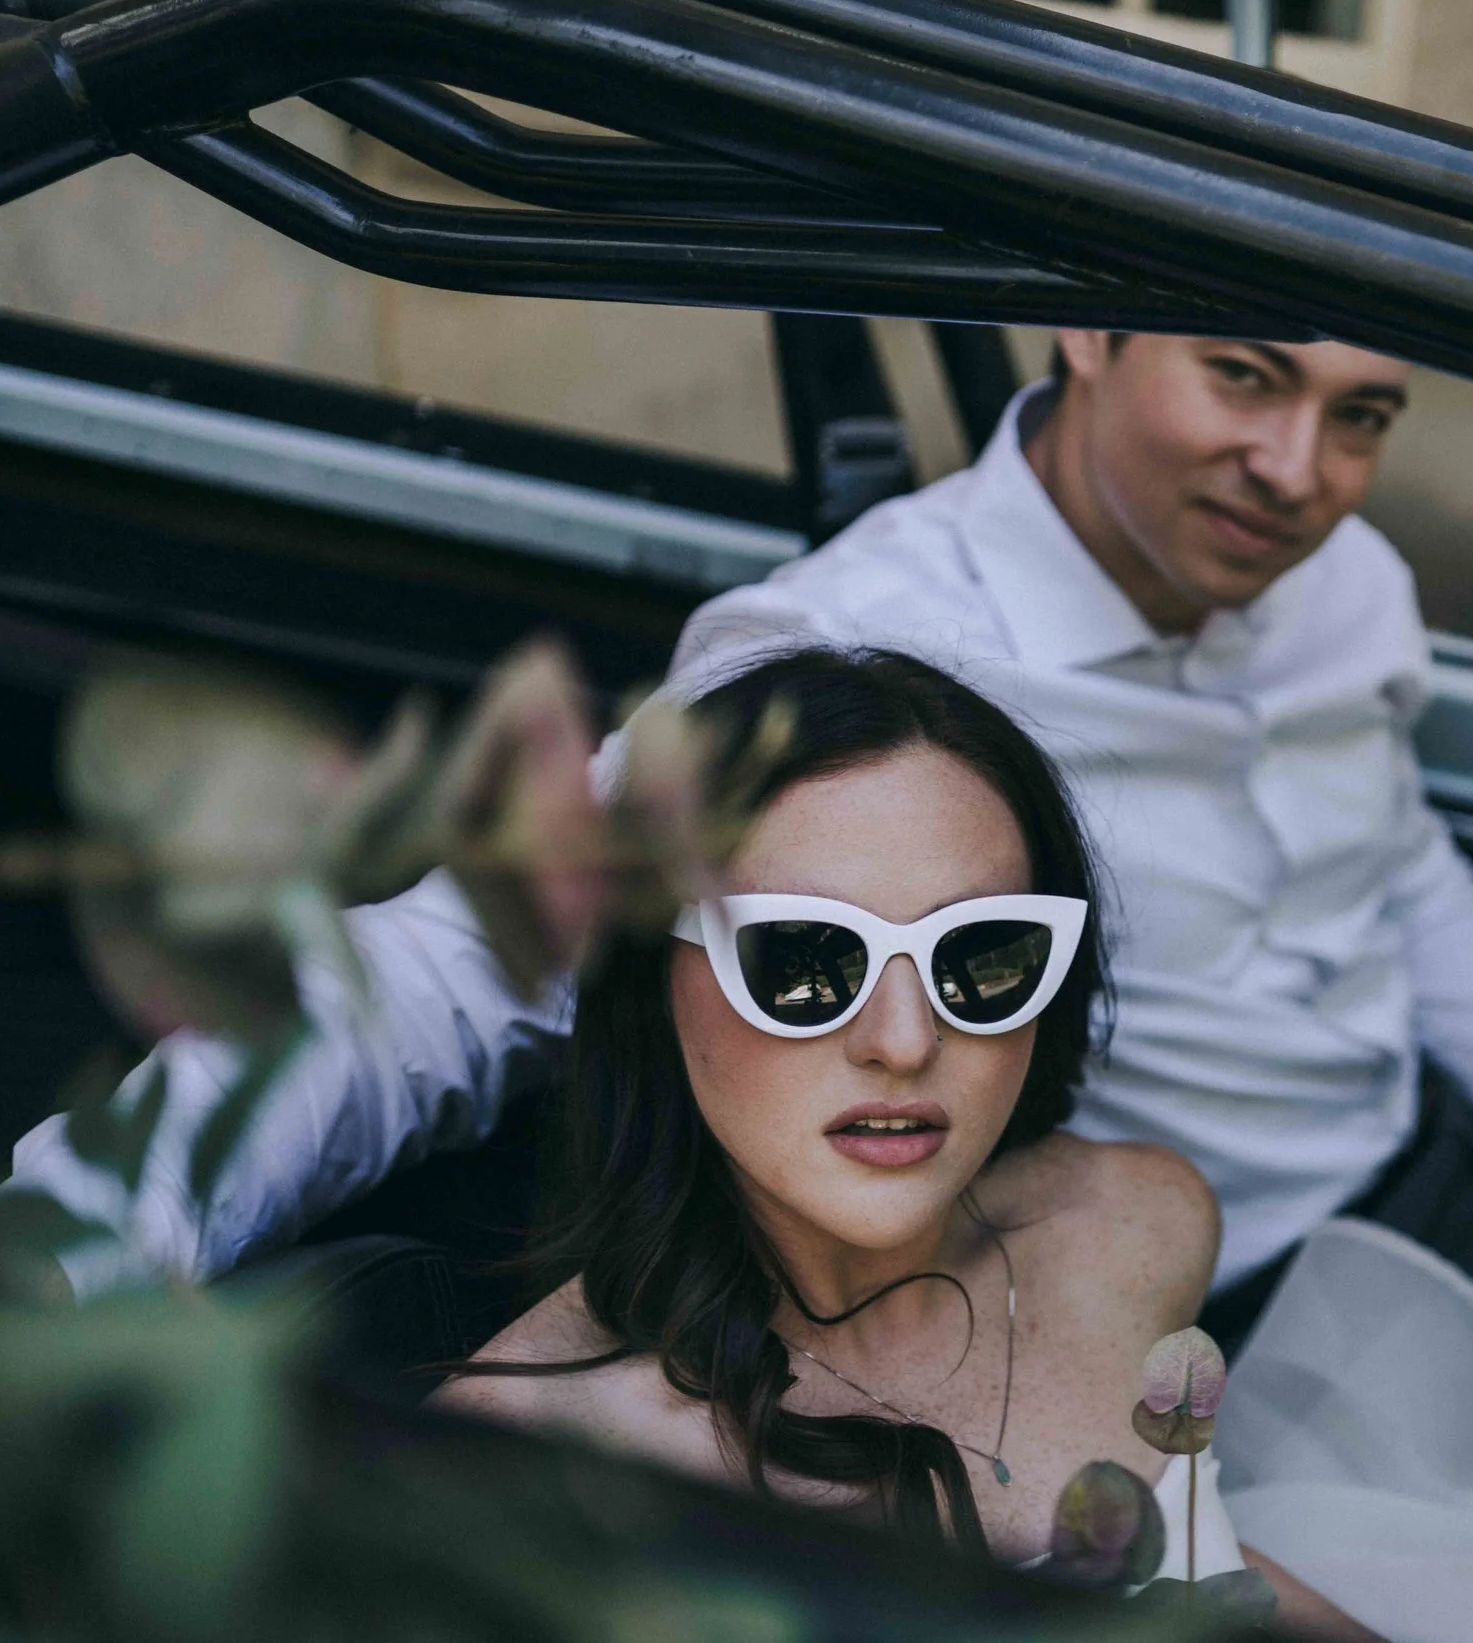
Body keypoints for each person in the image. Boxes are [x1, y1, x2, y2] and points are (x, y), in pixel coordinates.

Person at [6, 330, 1473, 1541]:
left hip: (1441, 1112)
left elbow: (1393, 856)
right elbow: (433, 980)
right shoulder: (850, 665)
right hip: (1279, 1268)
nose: (1297, 469)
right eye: (1243, 378)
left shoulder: (1337, 580)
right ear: (1086, 327)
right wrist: (57, 1251)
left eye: (1362, 416)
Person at [431, 644, 1375, 1639]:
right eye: (801, 961)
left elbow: (1203, 1567)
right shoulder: (513, 1466)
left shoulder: (1131, 1227)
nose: (905, 1040)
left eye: (981, 955)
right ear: (651, 984)